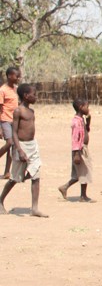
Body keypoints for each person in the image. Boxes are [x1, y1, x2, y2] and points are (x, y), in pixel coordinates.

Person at [0, 84, 47, 217]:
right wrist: (20, 150)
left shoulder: (32, 111)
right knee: (14, 178)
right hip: (21, 146)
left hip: (32, 146)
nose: (36, 97)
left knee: (36, 176)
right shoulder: (18, 111)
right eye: (34, 94)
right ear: (26, 96)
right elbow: (14, 132)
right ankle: (0, 200)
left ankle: (34, 208)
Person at [58, 98, 93, 202]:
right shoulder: (76, 122)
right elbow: (75, 139)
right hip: (79, 150)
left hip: (83, 149)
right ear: (81, 107)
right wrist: (76, 153)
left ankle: (65, 187)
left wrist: (88, 122)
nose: (88, 109)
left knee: (79, 173)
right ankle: (83, 196)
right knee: (84, 172)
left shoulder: (81, 119)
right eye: (87, 107)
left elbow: (86, 130)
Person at [0, 67, 21, 180]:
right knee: (9, 142)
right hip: (5, 120)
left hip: (15, 121)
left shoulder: (16, 89)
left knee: (13, 147)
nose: (18, 78)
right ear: (9, 76)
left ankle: (7, 172)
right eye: (16, 76)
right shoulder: (2, 90)